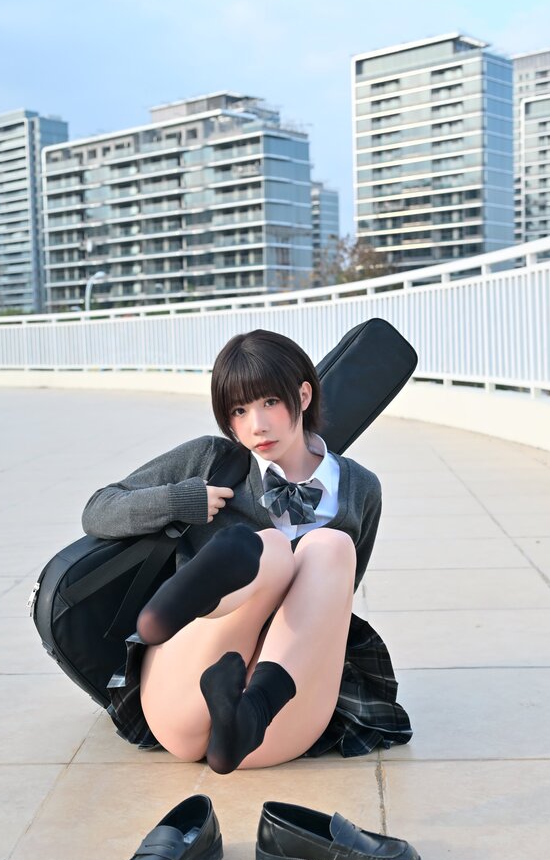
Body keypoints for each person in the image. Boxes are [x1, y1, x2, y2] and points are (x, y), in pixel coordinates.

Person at [81, 328, 412, 773]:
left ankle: (248, 714)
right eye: (239, 410)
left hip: (277, 721)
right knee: (271, 548)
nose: (257, 425)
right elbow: (98, 510)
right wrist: (181, 501)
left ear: (304, 395)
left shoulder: (360, 489)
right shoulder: (211, 462)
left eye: (270, 402)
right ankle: (168, 614)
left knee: (330, 546)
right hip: (183, 692)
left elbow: (337, 604)